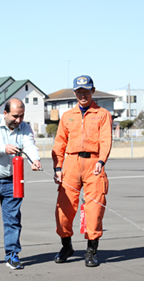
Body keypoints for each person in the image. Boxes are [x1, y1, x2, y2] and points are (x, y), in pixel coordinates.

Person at [52, 75, 112, 267]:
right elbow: (59, 142)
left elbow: (105, 140)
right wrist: (58, 167)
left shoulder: (102, 114)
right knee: (64, 208)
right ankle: (66, 246)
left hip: (93, 163)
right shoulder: (67, 115)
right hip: (70, 163)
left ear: (93, 91)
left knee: (94, 208)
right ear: (75, 93)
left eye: (86, 91)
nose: (82, 95)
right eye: (79, 92)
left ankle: (91, 250)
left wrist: (101, 161)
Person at [0, 98, 42, 270]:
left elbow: (29, 146)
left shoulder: (25, 128)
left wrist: (35, 160)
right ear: (5, 113)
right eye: (15, 116)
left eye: (21, 116)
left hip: (13, 181)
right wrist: (2, 148)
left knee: (13, 219)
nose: (18, 120)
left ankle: (12, 254)